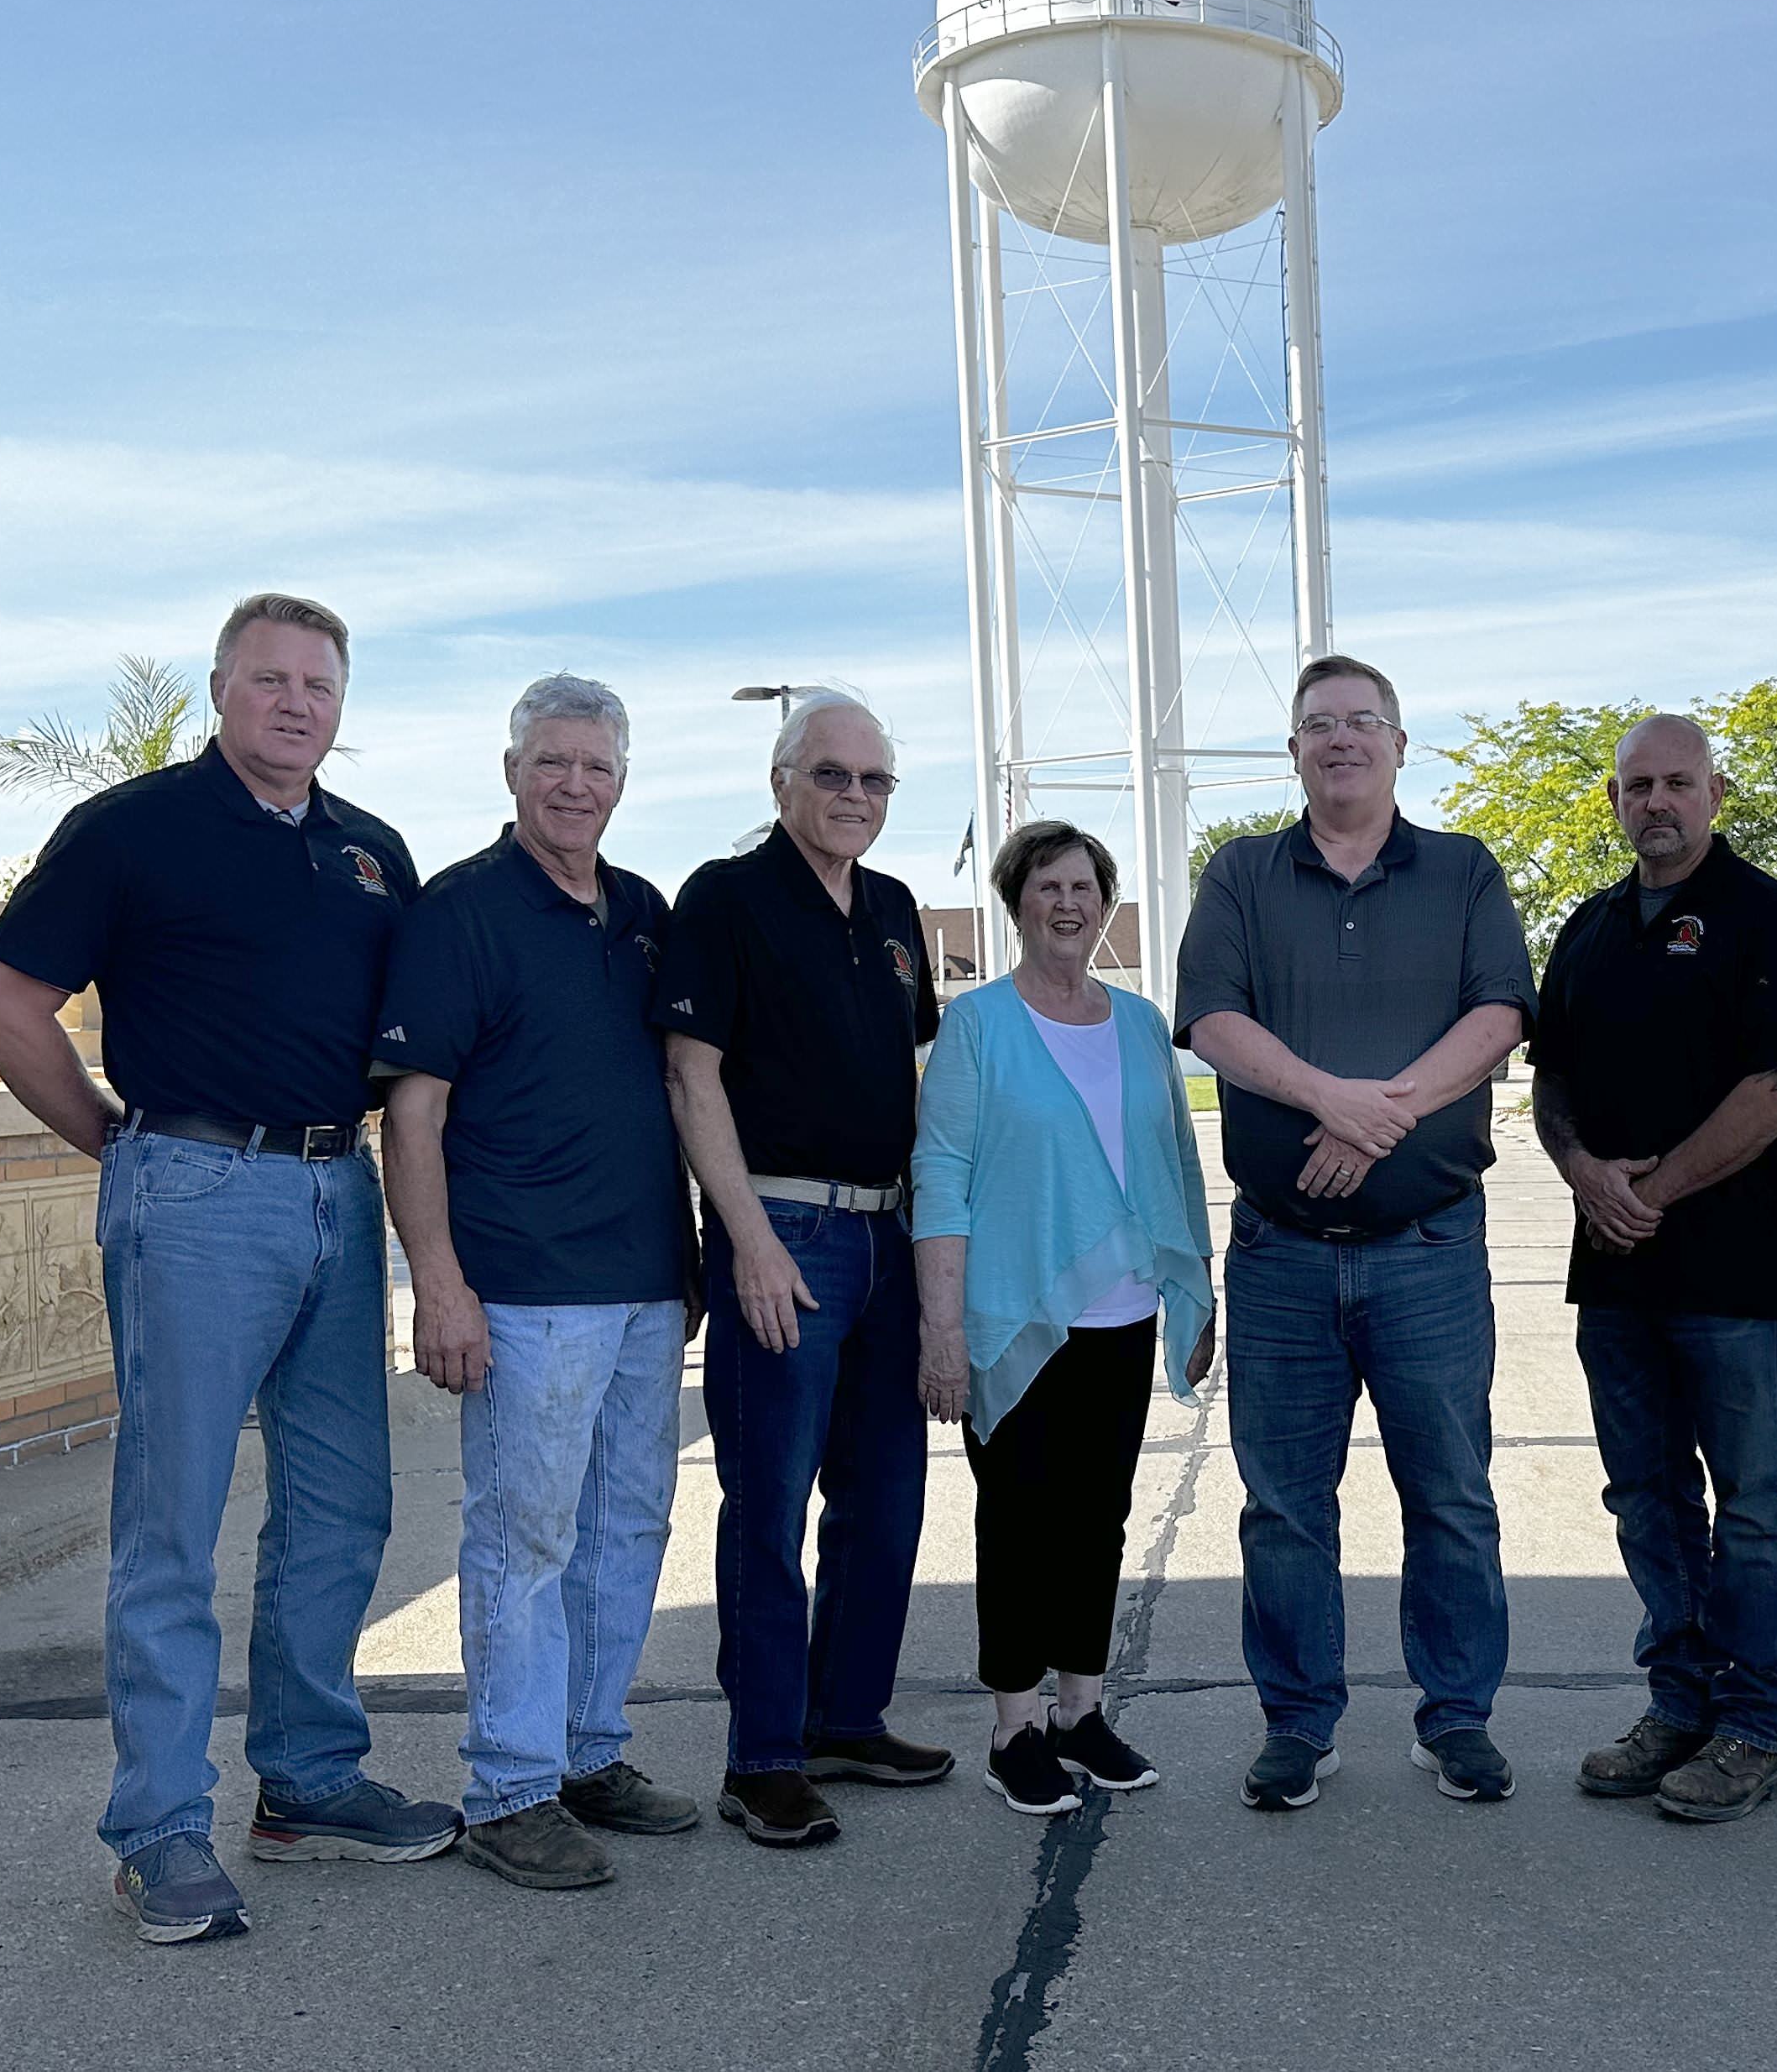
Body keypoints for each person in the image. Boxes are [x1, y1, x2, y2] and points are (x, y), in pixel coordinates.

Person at [0, 593, 462, 1944]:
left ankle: (307, 1781)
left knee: (342, 1504)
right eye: (271, 679)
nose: (297, 703)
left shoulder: (371, 851)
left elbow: (415, 1047)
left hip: (338, 1191)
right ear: (222, 689)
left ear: (341, 705)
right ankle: (160, 1827)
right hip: (192, 1189)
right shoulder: (131, 828)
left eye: (319, 684)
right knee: (173, 1517)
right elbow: (0, 1003)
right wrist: (110, 1135)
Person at [1173, 654, 1535, 1812]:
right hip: (1279, 1254)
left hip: (1428, 1248)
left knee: (1451, 1495)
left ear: (1397, 743)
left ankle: (1457, 1717)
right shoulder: (1240, 872)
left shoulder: (1464, 869)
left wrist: (1384, 1117)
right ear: (1293, 751)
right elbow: (1211, 1019)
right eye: (1318, 723)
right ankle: (1297, 1723)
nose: (1341, 738)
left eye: (1362, 720)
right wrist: (1332, 1098)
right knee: (1284, 1506)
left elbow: (1500, 1013)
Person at [375, 675, 700, 1888]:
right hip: (522, 1286)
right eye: (552, 762)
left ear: (623, 780)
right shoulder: (458, 911)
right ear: (511, 770)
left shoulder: (643, 912)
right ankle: (510, 1786)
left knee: (628, 1525)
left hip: (643, 1281)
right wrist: (438, 1285)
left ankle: (587, 1750)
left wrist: (690, 1260)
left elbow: (675, 1090)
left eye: (596, 765)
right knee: (525, 1536)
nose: (575, 784)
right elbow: (413, 1114)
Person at [652, 689, 950, 1849]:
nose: (854, 796)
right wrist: (750, 1240)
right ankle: (764, 1753)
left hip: (886, 1236)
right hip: (784, 1231)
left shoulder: (893, 908)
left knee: (885, 1499)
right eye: (832, 774)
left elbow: (911, 1075)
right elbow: (691, 1076)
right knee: (769, 1505)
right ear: (781, 781)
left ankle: (845, 1718)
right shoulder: (725, 897)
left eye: (874, 780)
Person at [1531, 715, 1777, 1824]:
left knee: (1753, 1505)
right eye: (1636, 786)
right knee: (1646, 1498)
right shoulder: (1589, 926)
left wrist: (1648, 1192)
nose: (1655, 801)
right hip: (1611, 1276)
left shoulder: (1763, 914)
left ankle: (1752, 1725)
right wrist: (1581, 1170)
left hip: (1728, 1275)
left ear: (1713, 792)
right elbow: (1550, 1079)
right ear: (1615, 800)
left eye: (1675, 782)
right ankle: (1678, 1703)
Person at [910, 822, 1217, 1817]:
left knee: (1098, 1520)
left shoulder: (1140, 1023)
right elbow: (941, 1173)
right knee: (1019, 1523)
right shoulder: (979, 1025)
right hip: (1015, 1322)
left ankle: (1081, 1714)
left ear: (1105, 902)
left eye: (1084, 886)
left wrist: (1197, 1292)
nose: (1068, 903)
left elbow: (1177, 1160)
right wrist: (941, 1327)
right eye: (1048, 886)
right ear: (1017, 902)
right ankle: (1014, 1730)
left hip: (1125, 1315)